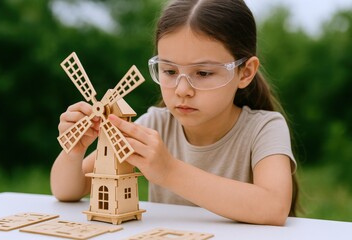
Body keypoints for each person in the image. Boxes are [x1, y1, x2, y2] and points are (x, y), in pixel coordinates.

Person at [50, 0, 298, 226]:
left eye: (203, 73)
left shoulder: (265, 128)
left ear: (245, 72)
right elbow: (66, 191)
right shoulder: (154, 124)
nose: (182, 90)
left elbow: (273, 207)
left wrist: (169, 171)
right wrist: (75, 149)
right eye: (169, 71)